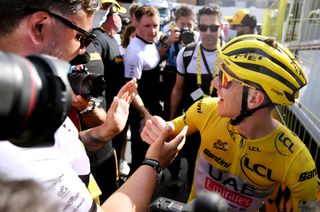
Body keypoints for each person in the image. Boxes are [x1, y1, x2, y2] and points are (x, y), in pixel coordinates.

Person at [0, 0, 187, 211]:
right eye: (81, 37)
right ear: (39, 26)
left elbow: (64, 146)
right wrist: (154, 162)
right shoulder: (15, 144)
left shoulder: (26, 97)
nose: (82, 50)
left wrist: (104, 131)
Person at [141, 34, 318, 211]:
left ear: (254, 98)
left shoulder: (296, 161)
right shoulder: (205, 110)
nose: (215, 82)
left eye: (224, 78)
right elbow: (170, 128)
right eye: (219, 72)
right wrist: (157, 129)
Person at [168, 4, 222, 194]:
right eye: (203, 27)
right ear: (198, 27)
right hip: (194, 122)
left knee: (218, 171)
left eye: (213, 27)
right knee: (193, 165)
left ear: (221, 27)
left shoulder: (229, 56)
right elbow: (178, 88)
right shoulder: (187, 53)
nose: (208, 32)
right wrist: (172, 119)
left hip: (221, 125)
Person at [123, 5, 163, 176]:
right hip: (142, 112)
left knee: (151, 152)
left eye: (156, 26)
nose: (153, 31)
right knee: (140, 155)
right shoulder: (135, 53)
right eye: (147, 26)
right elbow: (131, 90)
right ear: (136, 23)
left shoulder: (150, 43)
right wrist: (145, 113)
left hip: (153, 106)